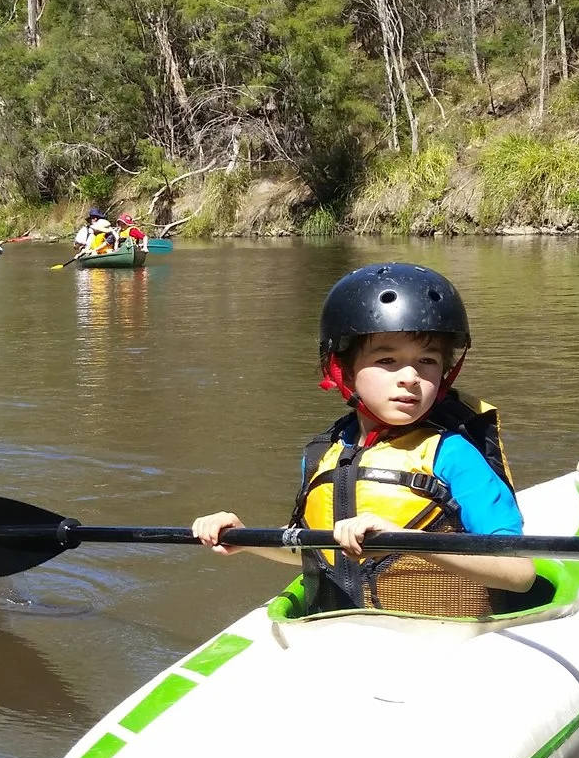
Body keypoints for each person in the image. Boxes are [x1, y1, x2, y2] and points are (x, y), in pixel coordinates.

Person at [188, 263, 536, 617]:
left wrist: (404, 540)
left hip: (449, 638)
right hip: (345, 634)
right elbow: (315, 550)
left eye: (427, 361)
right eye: (387, 359)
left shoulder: (453, 455)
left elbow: (519, 574)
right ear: (345, 370)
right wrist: (244, 538)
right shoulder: (326, 453)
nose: (410, 377)